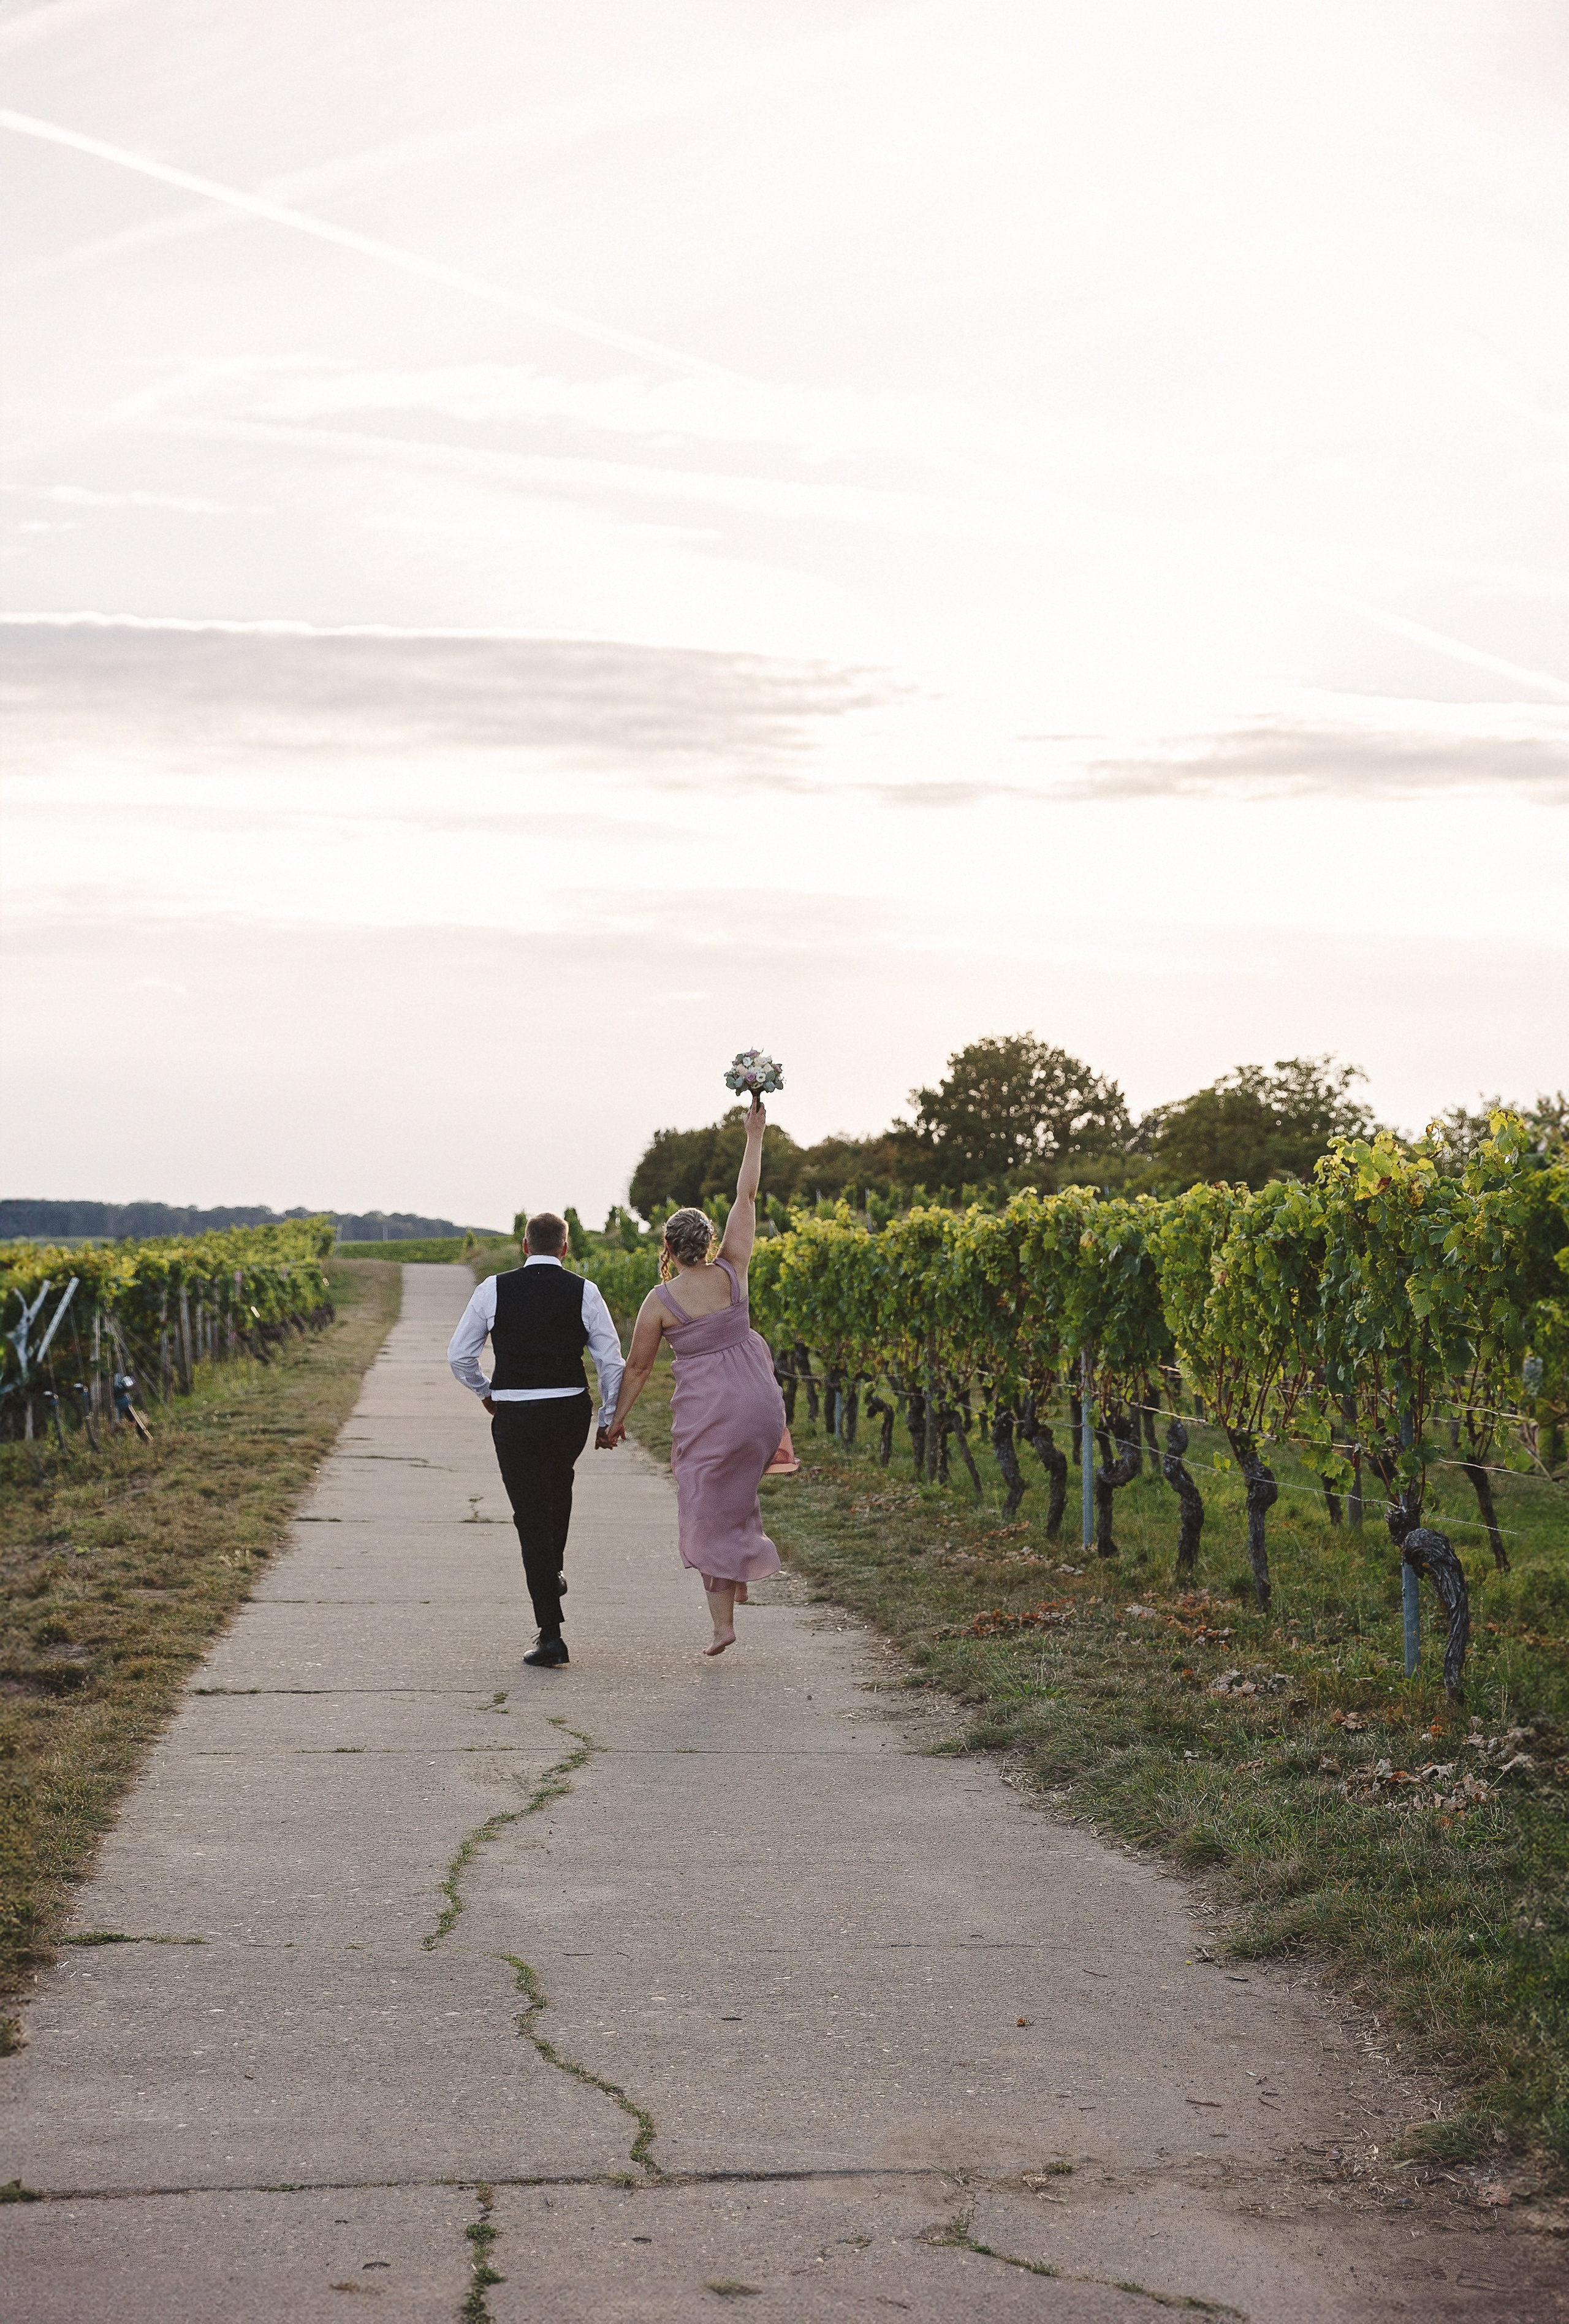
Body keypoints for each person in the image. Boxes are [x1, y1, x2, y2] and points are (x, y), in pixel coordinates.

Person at [602, 1099, 786, 1655]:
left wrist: (615, 1420)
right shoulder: (734, 1268)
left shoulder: (660, 1302)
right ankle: (740, 1571)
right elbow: (746, 1196)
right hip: (763, 1406)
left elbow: (638, 1367)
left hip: (715, 1413)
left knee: (705, 1507)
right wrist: (754, 1136)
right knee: (737, 1488)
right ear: (708, 1242)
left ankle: (722, 1624)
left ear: (668, 1247)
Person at [447, 1212, 624, 1668]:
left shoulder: (493, 1289)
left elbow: (460, 1355)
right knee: (559, 1484)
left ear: (524, 1246)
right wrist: (608, 1418)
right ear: (565, 1248)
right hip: (568, 1410)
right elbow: (610, 1361)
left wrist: (486, 1392)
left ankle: (551, 1635)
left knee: (530, 1516)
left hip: (516, 1415)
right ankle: (553, 1569)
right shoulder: (585, 1291)